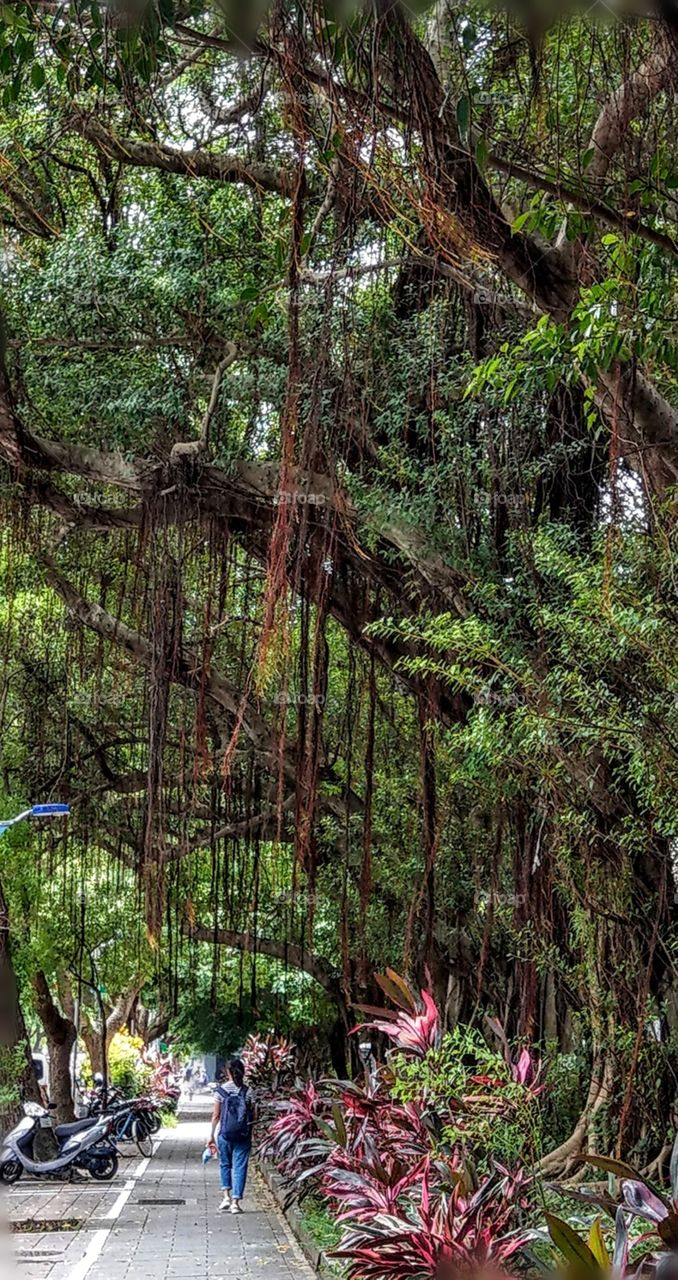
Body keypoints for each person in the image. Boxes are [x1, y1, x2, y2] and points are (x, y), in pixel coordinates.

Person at [208, 1057, 255, 1215]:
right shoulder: (248, 1091)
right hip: (243, 1134)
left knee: (225, 1164)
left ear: (227, 1072)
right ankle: (236, 1202)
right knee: (240, 1167)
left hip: (224, 1134)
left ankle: (226, 1197)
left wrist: (211, 1136)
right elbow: (254, 1114)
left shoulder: (221, 1091)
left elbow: (216, 1116)